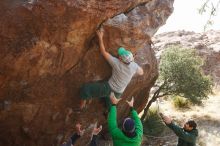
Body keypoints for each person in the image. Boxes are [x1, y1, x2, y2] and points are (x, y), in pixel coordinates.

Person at [80, 28, 144, 109]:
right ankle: (108, 113)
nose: (118, 55)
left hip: (109, 88)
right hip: (119, 92)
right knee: (111, 106)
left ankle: (81, 106)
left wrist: (100, 37)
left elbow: (103, 52)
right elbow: (141, 72)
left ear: (120, 59)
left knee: (86, 89)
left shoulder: (116, 63)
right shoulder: (134, 66)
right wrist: (133, 62)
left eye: (120, 55)